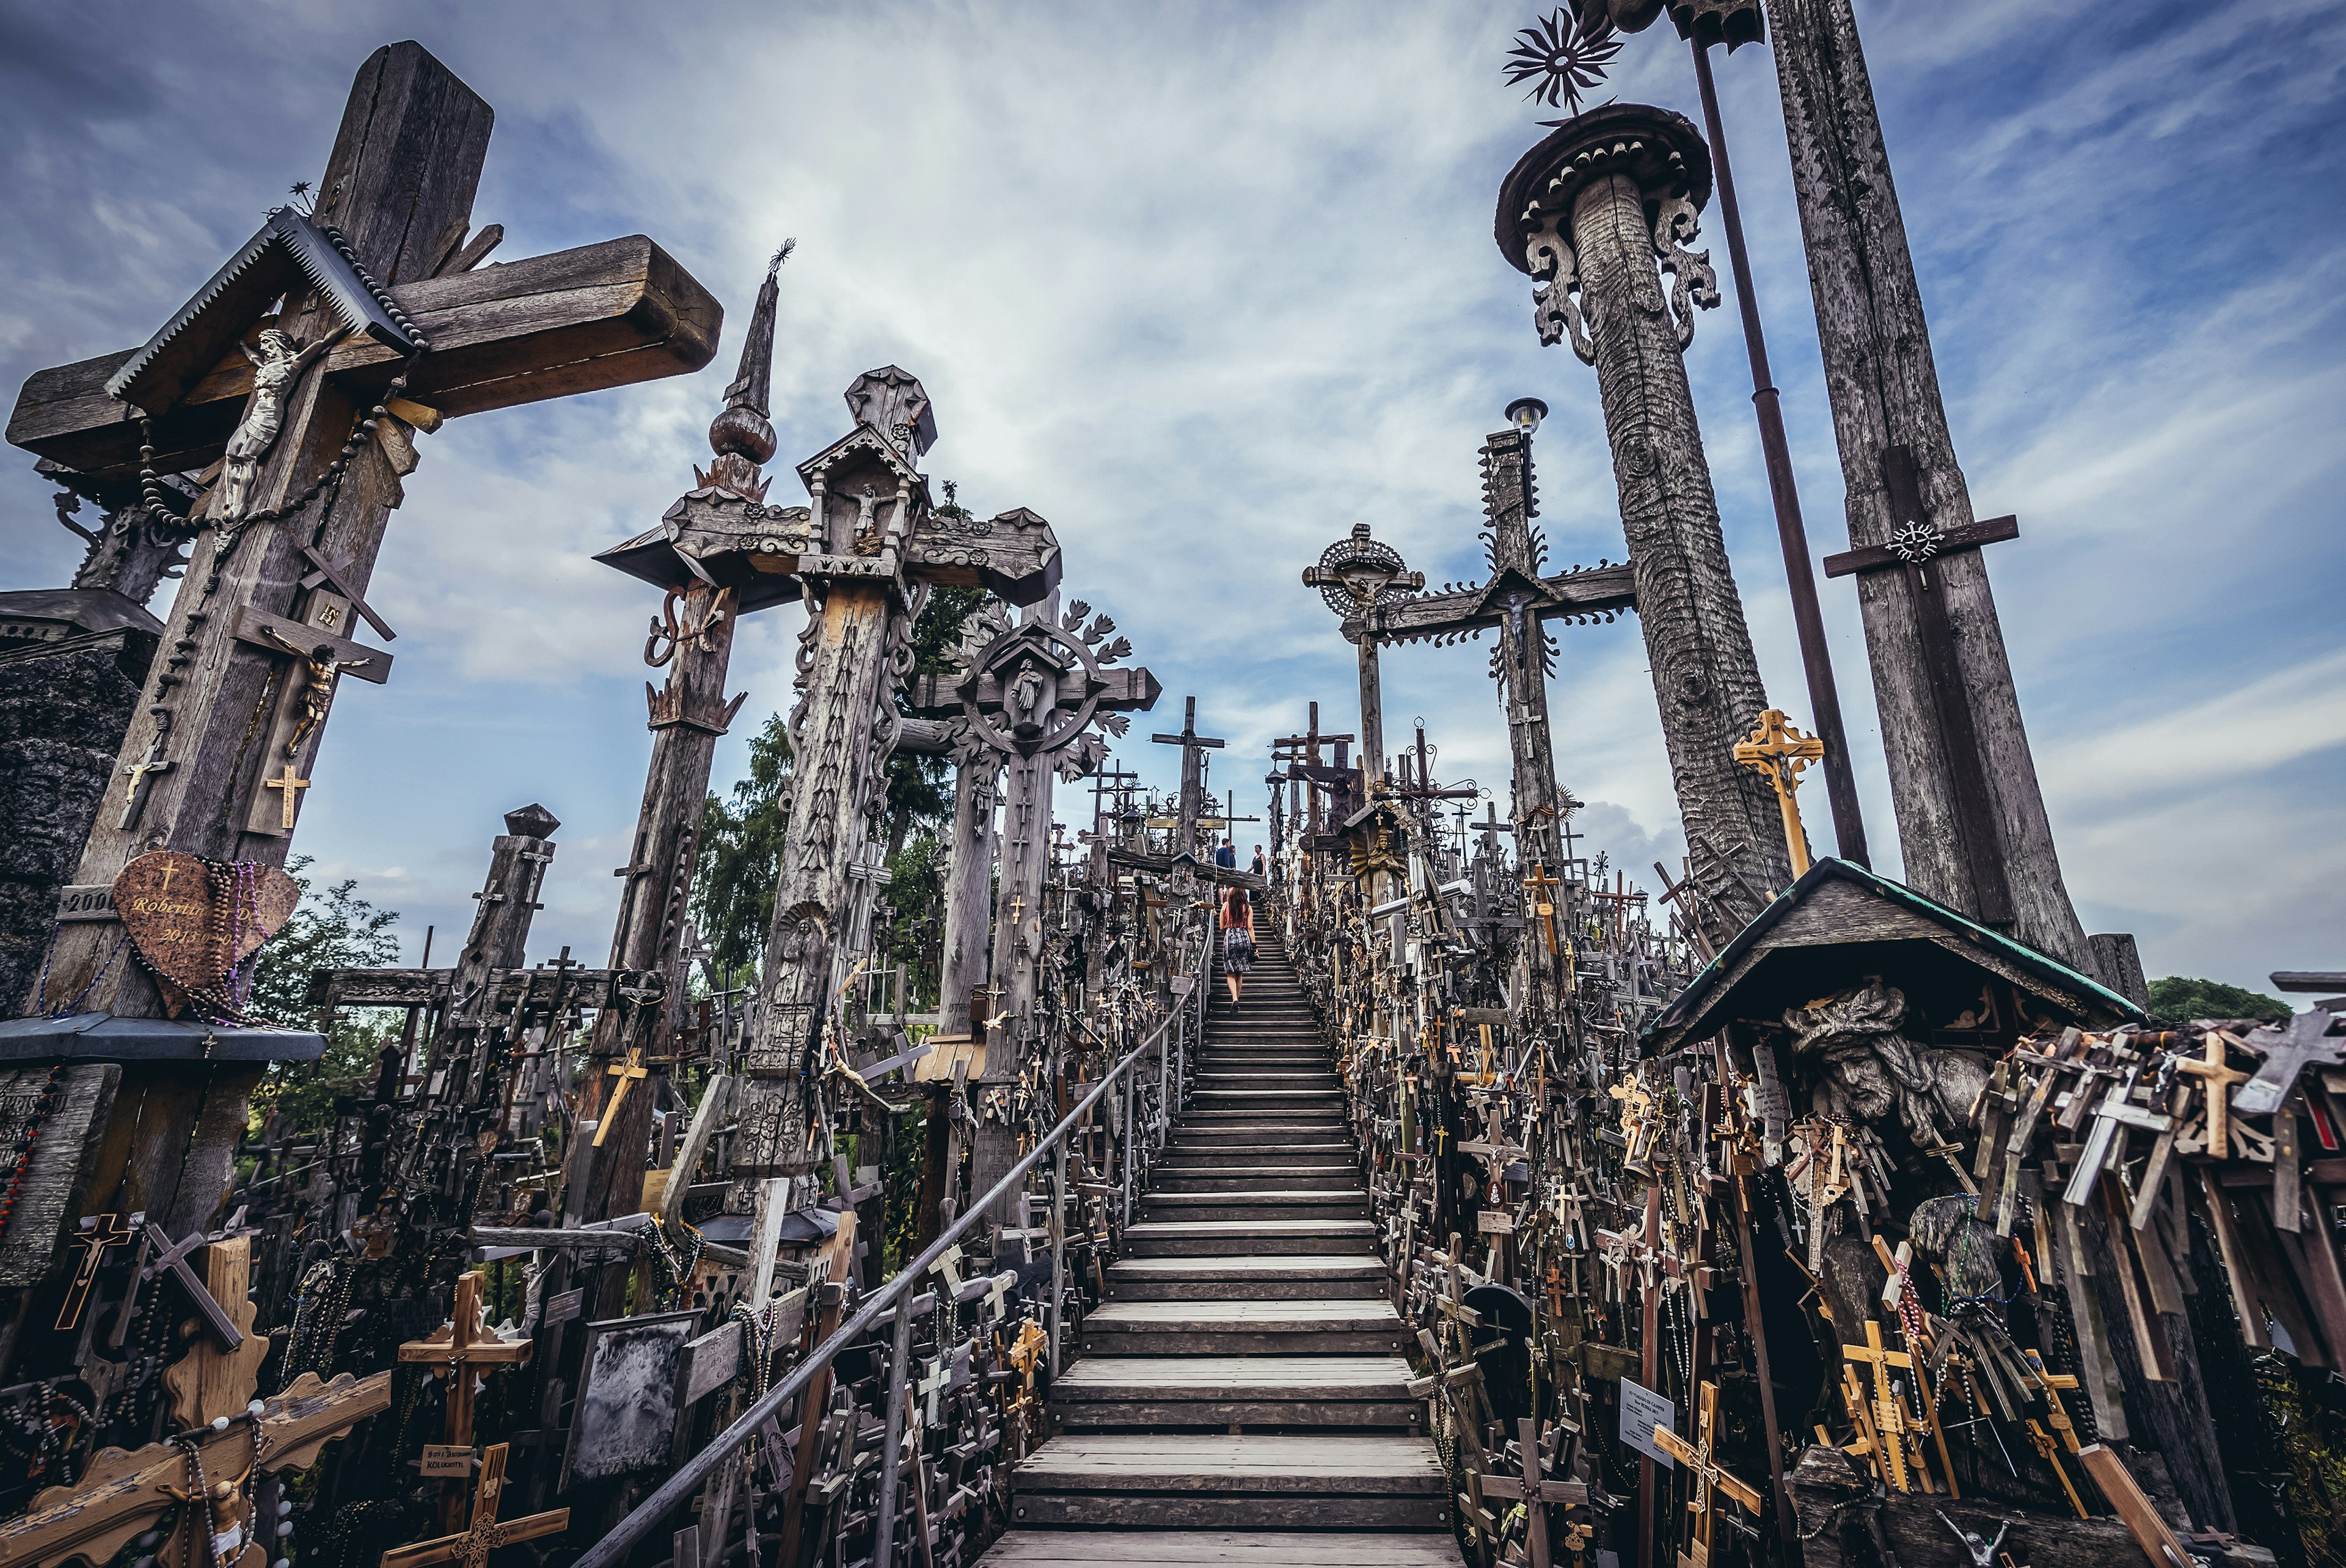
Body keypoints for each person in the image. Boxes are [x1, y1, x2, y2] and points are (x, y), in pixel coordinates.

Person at [1218, 883, 1254, 1008]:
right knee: (1240, 973)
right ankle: (1237, 1000)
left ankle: (1234, 999)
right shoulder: (1248, 908)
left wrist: (1228, 932)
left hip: (1230, 938)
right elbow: (1250, 927)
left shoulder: (1225, 906)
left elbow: (1221, 927)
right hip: (1244, 938)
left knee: (1230, 973)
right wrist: (1254, 946)